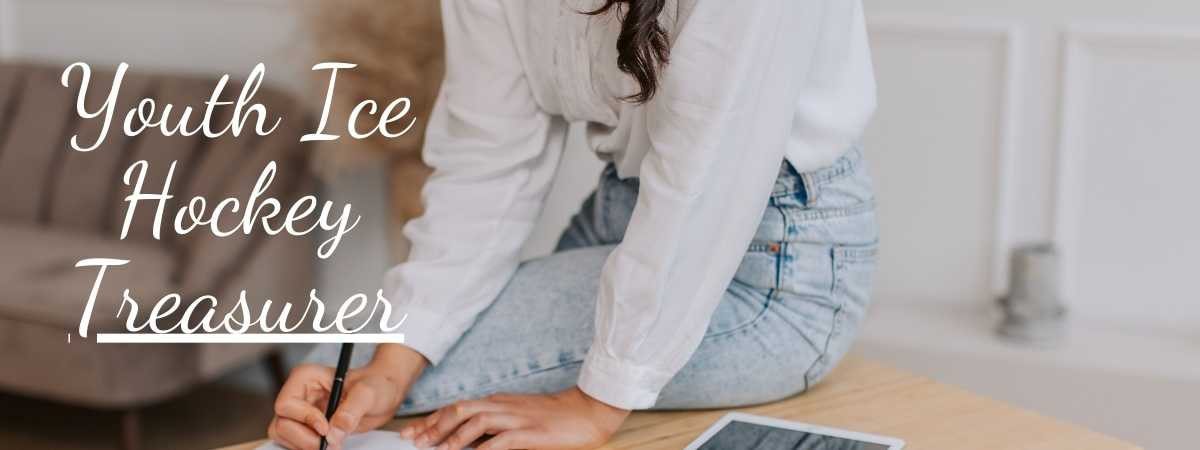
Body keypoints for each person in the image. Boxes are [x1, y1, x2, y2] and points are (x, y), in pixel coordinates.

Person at [269, 0, 878, 449]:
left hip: (772, 266)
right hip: (627, 214)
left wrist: (595, 405)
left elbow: (704, 186)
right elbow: (489, 161)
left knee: (359, 392)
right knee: (357, 376)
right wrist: (392, 365)